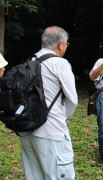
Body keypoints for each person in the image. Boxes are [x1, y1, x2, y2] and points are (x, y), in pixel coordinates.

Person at [19, 26, 78, 180]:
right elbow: (72, 100)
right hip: (51, 132)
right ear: (61, 44)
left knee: (35, 175)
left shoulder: (29, 62)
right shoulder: (60, 63)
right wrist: (63, 118)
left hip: (27, 130)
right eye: (66, 44)